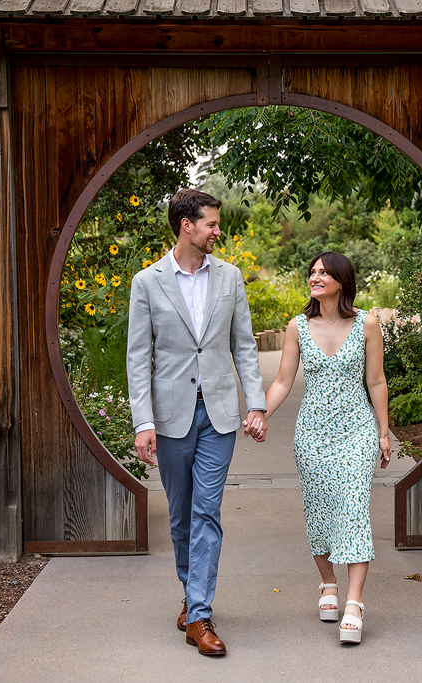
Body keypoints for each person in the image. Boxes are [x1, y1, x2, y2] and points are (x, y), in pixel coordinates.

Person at [127, 188, 268, 657]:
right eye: (210, 223)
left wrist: (257, 404)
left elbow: (244, 345)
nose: (217, 231)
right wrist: (142, 421)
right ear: (187, 225)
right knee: (182, 514)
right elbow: (138, 358)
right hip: (170, 417)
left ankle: (200, 616)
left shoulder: (229, 277)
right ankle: (192, 596)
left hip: (219, 414)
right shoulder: (147, 283)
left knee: (208, 511)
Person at [245, 251, 391, 644]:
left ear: (342, 280)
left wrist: (383, 431)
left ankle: (354, 604)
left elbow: (376, 381)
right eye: (312, 272)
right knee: (321, 510)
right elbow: (282, 381)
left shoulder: (367, 324)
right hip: (312, 435)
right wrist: (260, 413)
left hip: (356, 431)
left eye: (324, 272)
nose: (315, 277)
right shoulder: (297, 326)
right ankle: (328, 584)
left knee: (353, 507)